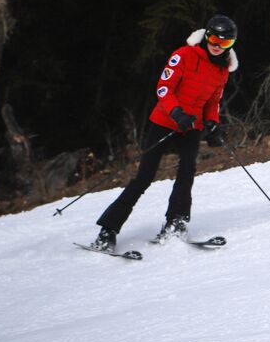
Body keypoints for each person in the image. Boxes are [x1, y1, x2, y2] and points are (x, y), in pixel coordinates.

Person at [90, 16, 238, 251]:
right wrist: (177, 113)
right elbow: (163, 87)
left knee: (187, 171)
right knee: (144, 177)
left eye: (225, 42)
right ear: (205, 36)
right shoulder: (184, 55)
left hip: (191, 126)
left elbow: (213, 102)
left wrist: (212, 124)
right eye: (213, 39)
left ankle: (176, 222)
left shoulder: (223, 69)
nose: (217, 46)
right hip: (165, 120)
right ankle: (108, 230)